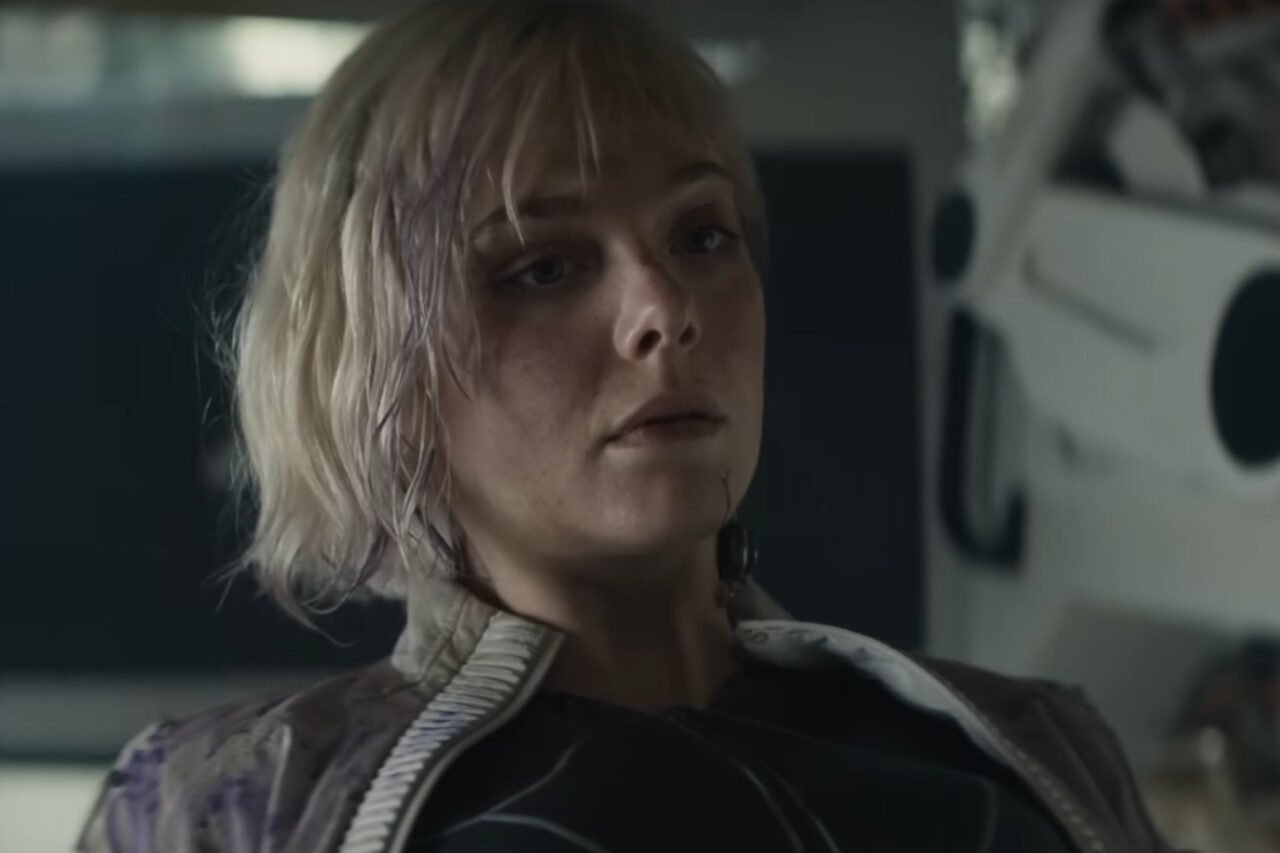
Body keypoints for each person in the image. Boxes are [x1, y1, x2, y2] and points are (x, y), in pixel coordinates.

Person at [77, 1, 1175, 851]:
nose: (664, 307)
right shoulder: (222, 809)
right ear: (379, 369)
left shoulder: (1036, 743)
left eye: (700, 235)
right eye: (544, 266)